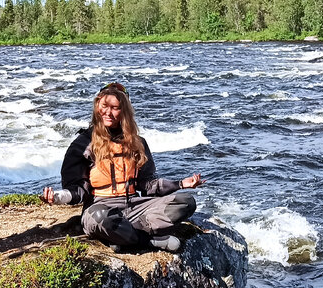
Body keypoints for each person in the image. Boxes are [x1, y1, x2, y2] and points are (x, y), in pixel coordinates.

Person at [42, 82, 204, 252]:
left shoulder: (138, 143)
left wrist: (180, 184)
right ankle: (145, 240)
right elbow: (77, 190)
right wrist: (57, 197)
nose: (108, 112)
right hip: (99, 207)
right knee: (101, 218)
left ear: (124, 111)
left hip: (134, 206)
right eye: (104, 106)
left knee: (185, 202)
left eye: (115, 108)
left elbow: (148, 185)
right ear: (97, 106)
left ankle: (121, 235)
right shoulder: (82, 144)